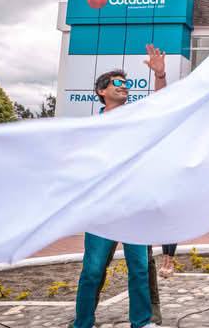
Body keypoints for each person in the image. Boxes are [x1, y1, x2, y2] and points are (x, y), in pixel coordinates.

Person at [71, 44, 167, 328]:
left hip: (133, 207)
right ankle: (82, 323)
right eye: (117, 83)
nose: (124, 87)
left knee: (139, 268)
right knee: (92, 270)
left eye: (126, 84)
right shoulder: (90, 128)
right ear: (101, 91)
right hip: (101, 210)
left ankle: (142, 322)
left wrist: (160, 75)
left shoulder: (136, 117)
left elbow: (162, 106)